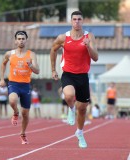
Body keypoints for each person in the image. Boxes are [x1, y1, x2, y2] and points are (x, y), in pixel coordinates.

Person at [50, 11, 98, 148]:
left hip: (83, 76)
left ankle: (80, 132)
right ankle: (71, 108)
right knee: (69, 95)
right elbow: (53, 50)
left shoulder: (90, 36)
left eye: (79, 19)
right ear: (71, 21)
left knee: (82, 109)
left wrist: (88, 45)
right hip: (68, 74)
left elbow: (95, 58)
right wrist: (53, 70)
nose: (77, 22)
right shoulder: (62, 38)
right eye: (74, 19)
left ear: (83, 21)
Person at [0, 30, 40, 144]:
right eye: (19, 39)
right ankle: (15, 113)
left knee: (26, 114)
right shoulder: (9, 54)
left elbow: (37, 71)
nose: (21, 41)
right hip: (13, 83)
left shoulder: (31, 54)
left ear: (26, 40)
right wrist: (2, 79)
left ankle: (22, 134)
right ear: (15, 41)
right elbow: (3, 64)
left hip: (25, 85)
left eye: (23, 39)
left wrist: (31, 65)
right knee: (12, 100)